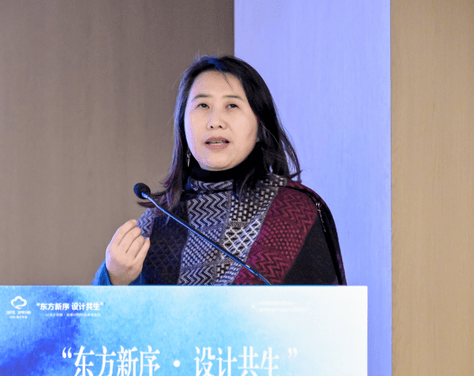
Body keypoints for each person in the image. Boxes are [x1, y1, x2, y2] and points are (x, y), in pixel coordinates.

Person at [92, 55, 345, 286]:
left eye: (232, 106)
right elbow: (99, 319)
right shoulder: (157, 221)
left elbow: (319, 317)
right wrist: (114, 279)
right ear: (183, 126)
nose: (215, 122)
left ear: (260, 126)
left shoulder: (293, 209)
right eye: (202, 106)